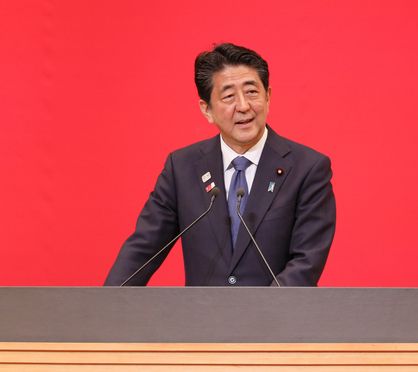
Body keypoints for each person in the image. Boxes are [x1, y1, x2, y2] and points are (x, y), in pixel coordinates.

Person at [104, 43, 336, 286]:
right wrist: (106, 305)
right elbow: (143, 249)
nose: (244, 106)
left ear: (268, 96)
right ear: (207, 110)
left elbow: (306, 262)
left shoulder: (307, 168)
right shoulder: (182, 168)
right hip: (202, 320)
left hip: (274, 320)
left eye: (252, 92)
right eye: (228, 96)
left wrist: (261, 315)